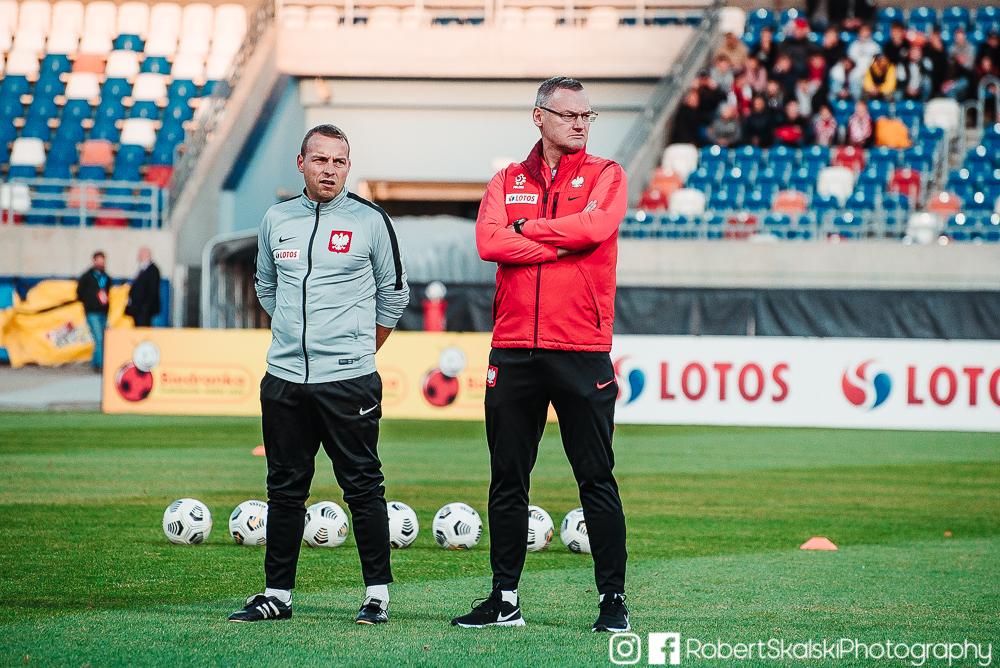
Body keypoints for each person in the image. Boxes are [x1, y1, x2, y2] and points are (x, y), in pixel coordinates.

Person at [451, 76, 629, 633]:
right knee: (507, 478)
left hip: (581, 348)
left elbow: (596, 228)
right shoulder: (507, 179)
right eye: (569, 114)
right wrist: (558, 244)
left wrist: (527, 230)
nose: (580, 124)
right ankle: (504, 599)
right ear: (539, 117)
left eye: (586, 116)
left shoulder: (607, 174)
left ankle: (613, 602)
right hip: (513, 349)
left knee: (596, 478)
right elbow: (489, 243)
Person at [228, 124, 409, 625]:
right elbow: (266, 286)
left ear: (348, 167)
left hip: (349, 381)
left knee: (363, 487)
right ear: (301, 163)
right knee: (285, 489)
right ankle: (277, 595)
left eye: (339, 161)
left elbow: (394, 294)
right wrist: (295, 337)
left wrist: (356, 351)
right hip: (284, 378)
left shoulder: (371, 220)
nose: (330, 170)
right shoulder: (276, 219)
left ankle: (377, 596)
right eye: (321, 160)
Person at [76, 251, 111, 373]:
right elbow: (79, 293)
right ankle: (101, 365)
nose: (101, 263)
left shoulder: (106, 278)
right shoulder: (87, 277)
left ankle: (96, 363)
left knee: (101, 340)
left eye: (103, 261)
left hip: (103, 312)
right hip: (92, 312)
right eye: (99, 261)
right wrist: (89, 302)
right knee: (99, 338)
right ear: (94, 261)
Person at [124, 247, 161, 327]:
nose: (139, 256)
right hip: (137, 309)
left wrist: (145, 307)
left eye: (141, 254)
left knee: (143, 328)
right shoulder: (142, 269)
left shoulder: (153, 270)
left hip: (144, 309)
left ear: (146, 255)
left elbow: (152, 290)